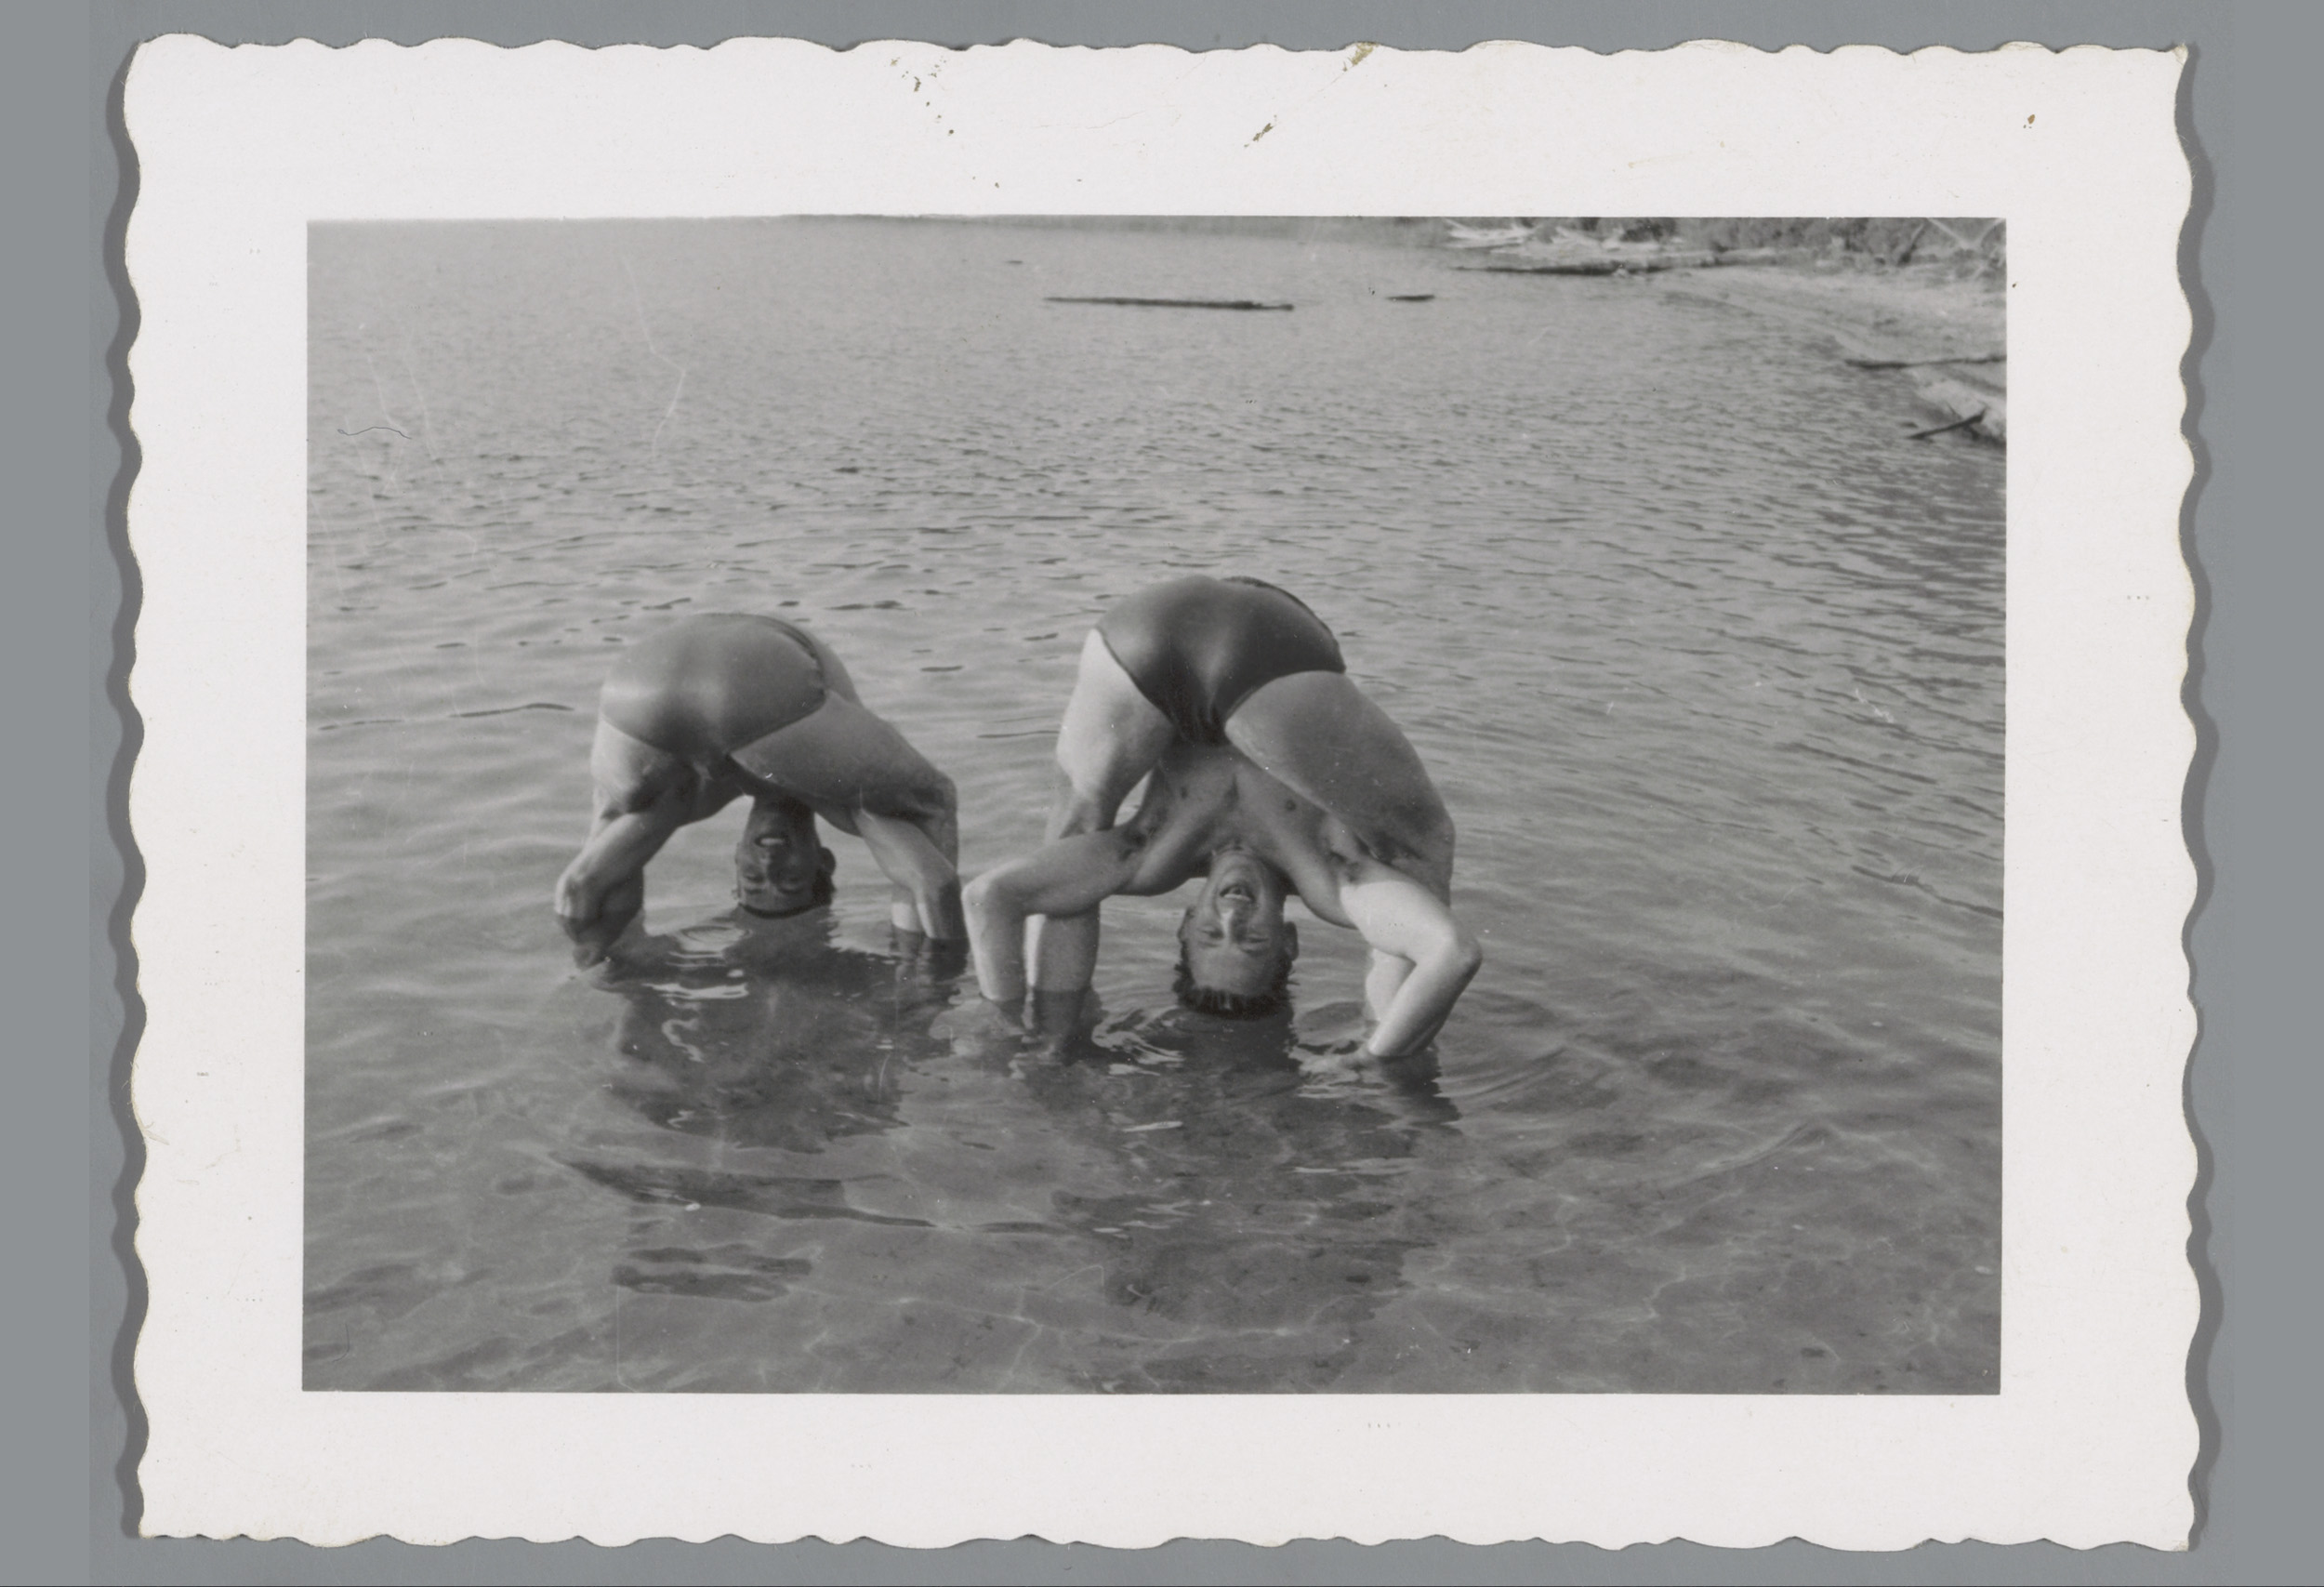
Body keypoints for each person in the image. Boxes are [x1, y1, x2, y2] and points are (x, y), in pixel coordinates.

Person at [962, 575, 1481, 1059]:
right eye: (1252, 940)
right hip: (1268, 661)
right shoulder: (1331, 876)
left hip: (1143, 639)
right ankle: (1386, 1031)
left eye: (1212, 934)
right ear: (1288, 940)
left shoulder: (1149, 856)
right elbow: (1450, 953)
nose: (1232, 916)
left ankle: (1055, 1031)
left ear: (1186, 924)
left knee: (1073, 847)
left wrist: (1004, 1023)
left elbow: (990, 897)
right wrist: (1373, 1060)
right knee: (1419, 849)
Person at [554, 612, 963, 963]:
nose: (768, 864)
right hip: (666, 682)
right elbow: (937, 881)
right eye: (789, 880)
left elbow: (580, 885)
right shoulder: (847, 804)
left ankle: (623, 971)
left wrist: (610, 969)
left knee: (617, 833)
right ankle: (916, 960)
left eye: (751, 877)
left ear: (737, 853)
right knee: (932, 802)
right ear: (823, 860)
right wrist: (935, 984)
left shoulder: (682, 801)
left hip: (641, 682)